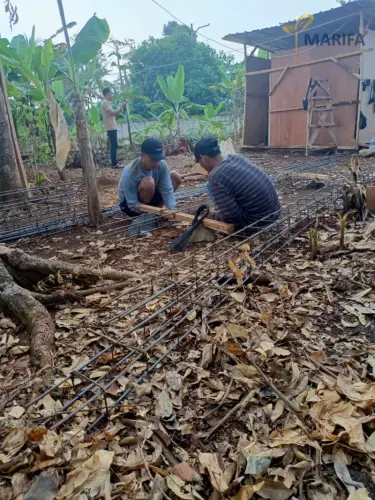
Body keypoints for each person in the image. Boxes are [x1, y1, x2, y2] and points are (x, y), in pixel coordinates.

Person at [194, 137, 280, 232]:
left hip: (257, 223)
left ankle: (220, 210)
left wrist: (214, 215)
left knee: (218, 213)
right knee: (209, 186)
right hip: (274, 213)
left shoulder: (216, 176)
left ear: (203, 159)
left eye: (198, 162)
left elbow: (232, 218)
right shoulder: (236, 157)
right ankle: (222, 209)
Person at [119, 138, 181, 217]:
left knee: (175, 176)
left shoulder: (162, 165)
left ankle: (156, 211)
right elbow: (132, 204)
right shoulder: (130, 172)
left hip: (151, 197)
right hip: (129, 204)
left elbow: (167, 190)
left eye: (158, 159)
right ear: (142, 155)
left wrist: (173, 209)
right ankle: (146, 216)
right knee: (149, 182)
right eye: (153, 159)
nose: (157, 163)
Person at [101, 88, 125, 168]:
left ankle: (115, 161)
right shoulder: (105, 103)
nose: (112, 95)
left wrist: (119, 109)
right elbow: (112, 113)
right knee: (114, 145)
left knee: (114, 145)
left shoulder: (107, 103)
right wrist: (120, 108)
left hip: (112, 127)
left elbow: (113, 114)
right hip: (110, 127)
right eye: (111, 94)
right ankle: (114, 163)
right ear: (107, 94)